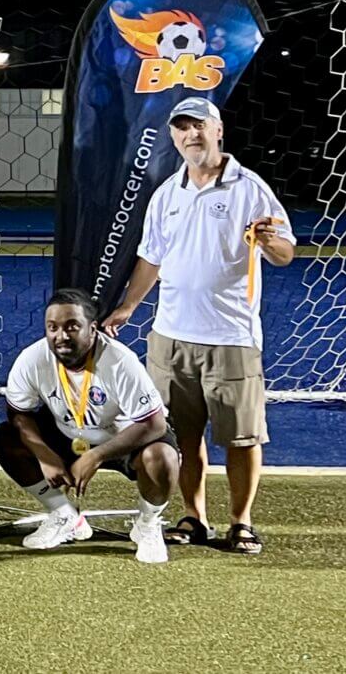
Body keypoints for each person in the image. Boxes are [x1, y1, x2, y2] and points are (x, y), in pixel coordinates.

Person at [103, 96, 295, 555]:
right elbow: (151, 257)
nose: (191, 135)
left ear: (218, 130)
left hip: (232, 338)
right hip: (170, 338)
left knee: (242, 438)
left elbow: (285, 253)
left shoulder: (250, 189)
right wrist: (128, 307)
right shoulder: (167, 193)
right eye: (182, 128)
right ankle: (194, 517)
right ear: (174, 137)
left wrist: (270, 243)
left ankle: (241, 521)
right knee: (182, 436)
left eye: (199, 126)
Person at [0, 288, 176, 563]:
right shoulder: (32, 359)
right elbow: (18, 414)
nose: (61, 336)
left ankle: (148, 526)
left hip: (124, 436)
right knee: (6, 439)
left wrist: (95, 455)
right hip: (67, 432)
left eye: (72, 327)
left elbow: (153, 424)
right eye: (52, 327)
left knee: (162, 458)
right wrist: (45, 454)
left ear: (92, 329)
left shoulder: (119, 362)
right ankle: (64, 515)